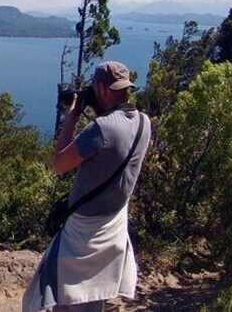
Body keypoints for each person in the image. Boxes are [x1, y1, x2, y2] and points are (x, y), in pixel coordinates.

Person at [22, 61, 152, 312]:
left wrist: (73, 113)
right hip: (113, 229)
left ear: (101, 88)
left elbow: (59, 164)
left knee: (55, 295)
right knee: (93, 299)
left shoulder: (101, 128)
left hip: (82, 235)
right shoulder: (144, 123)